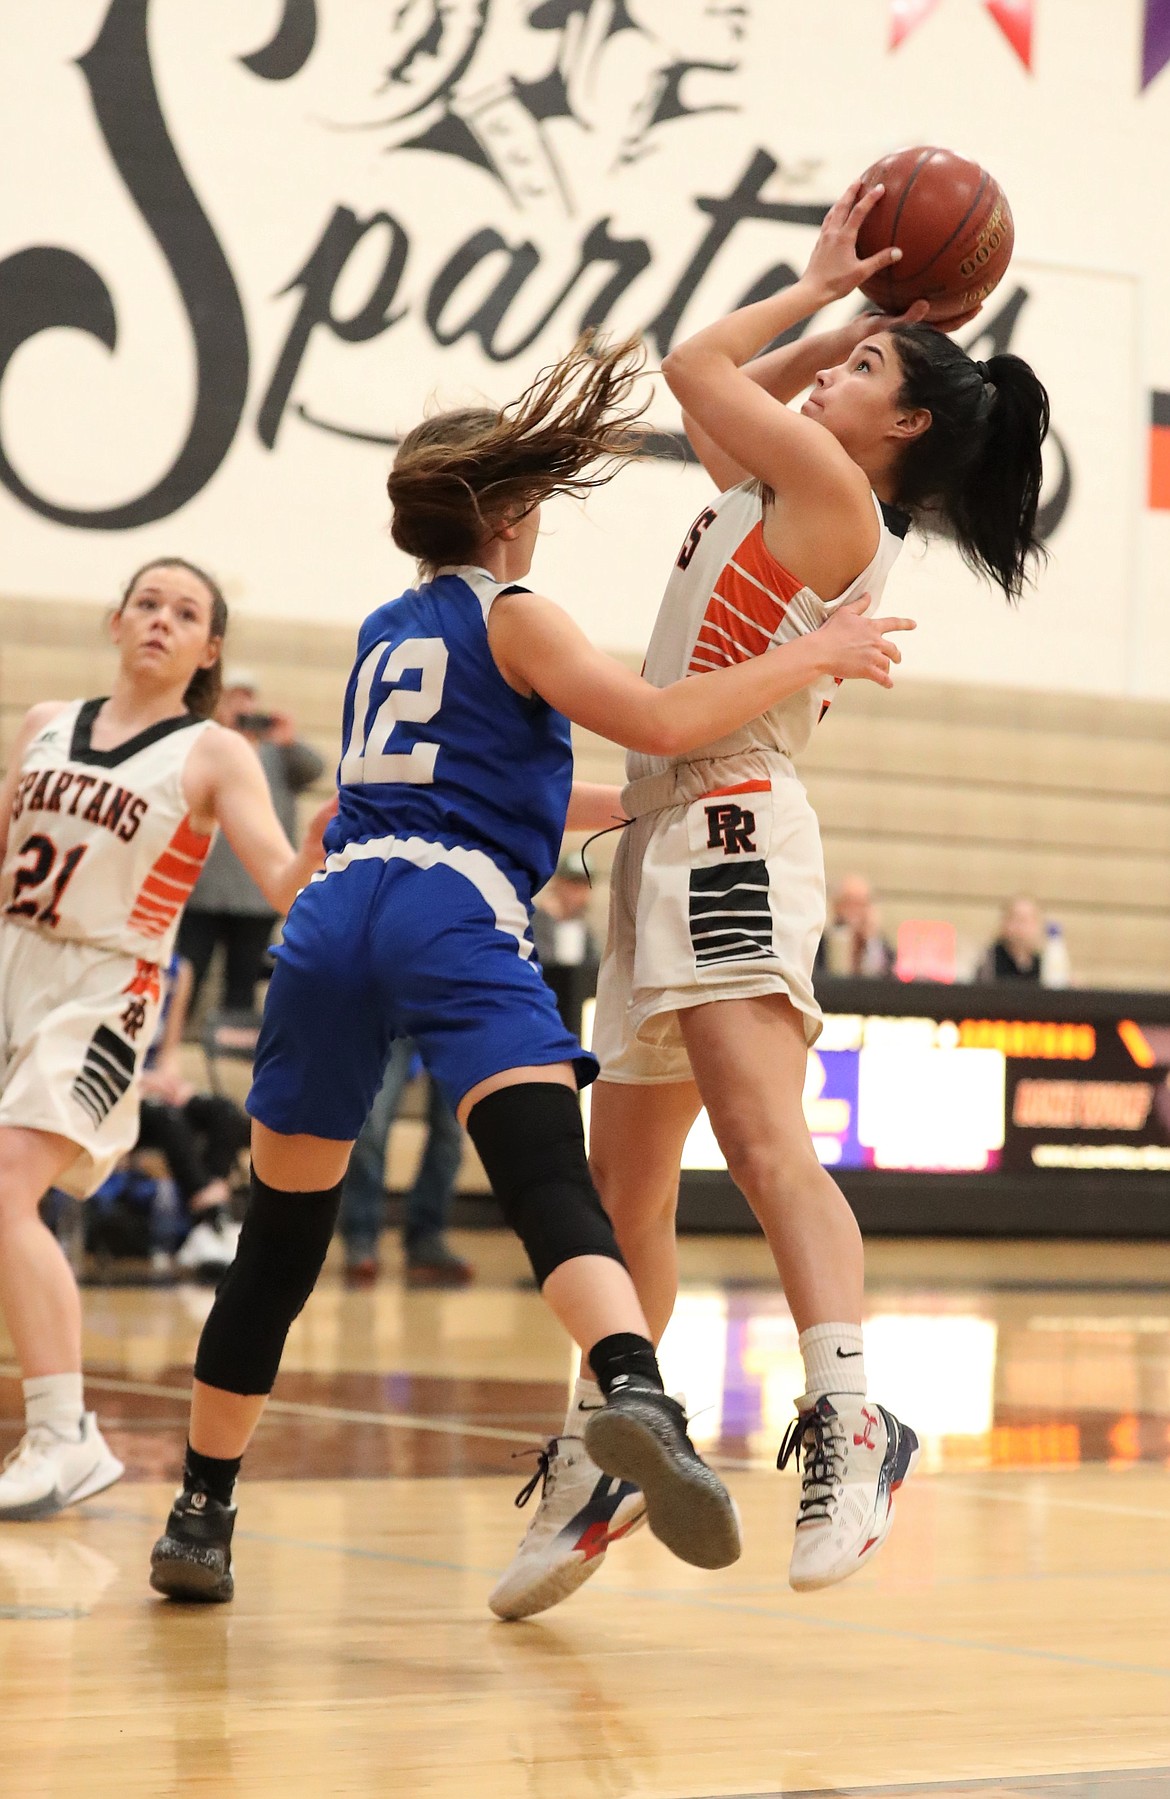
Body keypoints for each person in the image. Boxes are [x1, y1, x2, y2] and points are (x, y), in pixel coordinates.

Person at [147, 334, 907, 1607]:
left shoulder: (386, 633)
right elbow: (660, 721)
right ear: (506, 515)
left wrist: (646, 804)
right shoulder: (519, 613)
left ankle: (202, 1510)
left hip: (337, 913)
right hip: (451, 913)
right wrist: (812, 658)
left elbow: (513, 786)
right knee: (557, 1180)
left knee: (281, 1237)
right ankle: (634, 1389)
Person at [493, 179, 1050, 1617]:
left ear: (905, 426)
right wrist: (864, 323)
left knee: (756, 1137)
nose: (834, 367)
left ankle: (853, 1415)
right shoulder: (769, 486)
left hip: (735, 831)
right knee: (625, 1192)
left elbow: (697, 367)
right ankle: (600, 1453)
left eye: (869, 370)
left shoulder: (828, 495)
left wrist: (822, 290)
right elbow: (717, 396)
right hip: (666, 834)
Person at [0, 557, 334, 1519]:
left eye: (184, 612)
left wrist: (326, 841)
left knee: (11, 1181)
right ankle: (59, 1427)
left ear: (208, 648)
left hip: (109, 986)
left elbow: (280, 884)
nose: (159, 620)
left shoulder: (214, 752)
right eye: (146, 603)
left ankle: (64, 1433)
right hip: (18, 966)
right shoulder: (43, 725)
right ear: (115, 620)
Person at [176, 673, 325, 1016]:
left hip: (257, 895)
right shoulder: (204, 744)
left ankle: (230, 1053)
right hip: (203, 888)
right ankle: (171, 1043)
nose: (243, 707)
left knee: (242, 985)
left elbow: (315, 769)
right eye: (233, 698)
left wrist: (289, 740)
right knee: (186, 973)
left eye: (248, 699)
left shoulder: (277, 750)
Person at [135, 956, 251, 1276]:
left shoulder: (179, 970)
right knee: (170, 1121)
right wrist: (143, 1083)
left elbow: (169, 1048)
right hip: (116, 1089)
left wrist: (172, 1083)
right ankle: (211, 1218)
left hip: (153, 1086)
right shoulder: (117, 959)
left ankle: (206, 1227)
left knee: (224, 1112)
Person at [339, 1036, 471, 1288]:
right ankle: (361, 1235)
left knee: (450, 1133)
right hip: (392, 1014)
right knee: (371, 1125)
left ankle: (426, 1238)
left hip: (455, 1009)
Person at [531, 850, 601, 1039]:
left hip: (574, 1019)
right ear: (559, 884)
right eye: (574, 884)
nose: (580, 893)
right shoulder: (536, 923)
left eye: (585, 885)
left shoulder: (584, 931)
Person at [814, 872, 896, 978]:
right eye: (850, 903)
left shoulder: (881, 946)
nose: (857, 911)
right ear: (836, 906)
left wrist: (871, 941)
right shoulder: (821, 945)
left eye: (863, 904)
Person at [977, 893, 1046, 982]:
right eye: (1015, 918)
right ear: (1004, 922)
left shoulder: (1043, 964)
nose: (1020, 926)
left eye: (1025, 920)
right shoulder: (989, 960)